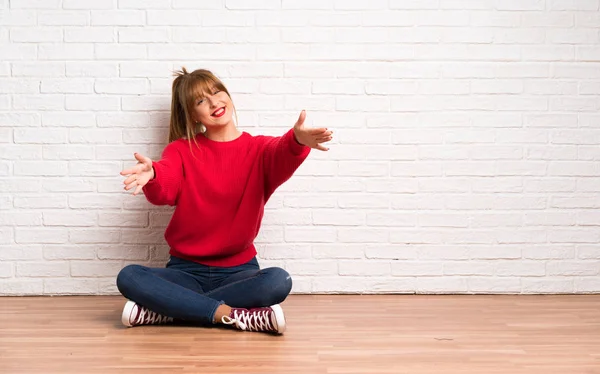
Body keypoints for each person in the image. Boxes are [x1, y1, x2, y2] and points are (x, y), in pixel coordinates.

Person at [115, 68, 333, 335]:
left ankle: (171, 311)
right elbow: (166, 186)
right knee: (129, 277)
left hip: (240, 273)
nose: (213, 102)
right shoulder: (181, 150)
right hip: (185, 273)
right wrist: (154, 174)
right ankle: (230, 315)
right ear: (192, 115)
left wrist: (297, 140)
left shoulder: (259, 150)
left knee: (278, 281)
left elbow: (281, 152)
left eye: (216, 92)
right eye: (200, 101)